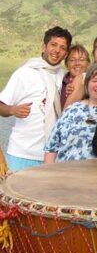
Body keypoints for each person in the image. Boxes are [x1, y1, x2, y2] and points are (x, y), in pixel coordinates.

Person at [0, 26, 72, 172]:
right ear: (43, 46)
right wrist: (13, 110)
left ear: (66, 53)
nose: (57, 50)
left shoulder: (64, 76)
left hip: (53, 156)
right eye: (53, 45)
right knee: (16, 194)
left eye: (62, 48)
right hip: (22, 153)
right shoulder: (25, 73)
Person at [44, 63, 97, 162]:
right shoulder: (71, 110)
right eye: (94, 80)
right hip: (64, 175)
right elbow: (51, 148)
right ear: (87, 84)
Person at [61, 44, 90, 109]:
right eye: (72, 60)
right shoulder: (60, 83)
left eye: (81, 60)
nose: (77, 63)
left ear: (88, 63)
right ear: (66, 64)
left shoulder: (93, 83)